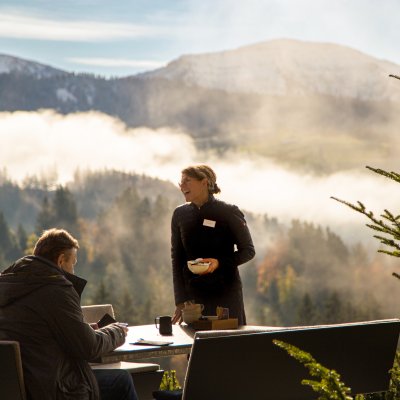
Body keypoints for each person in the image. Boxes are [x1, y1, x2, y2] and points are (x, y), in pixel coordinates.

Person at [0, 228, 138, 400]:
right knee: (121, 381)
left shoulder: (11, 285)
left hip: (19, 389)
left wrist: (84, 330)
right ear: (60, 261)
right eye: (73, 263)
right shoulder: (55, 290)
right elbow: (89, 347)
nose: (73, 271)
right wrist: (117, 331)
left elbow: (40, 332)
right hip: (54, 389)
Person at [171, 165, 255, 326]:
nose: (182, 186)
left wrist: (219, 262)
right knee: (197, 348)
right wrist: (180, 300)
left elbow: (248, 251)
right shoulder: (179, 214)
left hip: (226, 294)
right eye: (181, 182)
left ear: (204, 182)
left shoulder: (228, 211)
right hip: (194, 297)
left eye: (187, 181)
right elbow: (177, 258)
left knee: (227, 347)